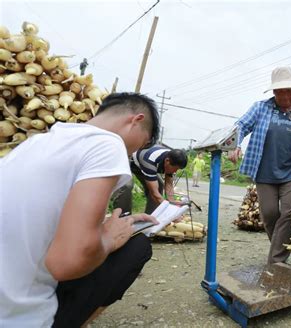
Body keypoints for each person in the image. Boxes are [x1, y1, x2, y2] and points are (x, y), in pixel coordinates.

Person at [0, 92, 161, 327]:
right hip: (16, 318)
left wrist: (109, 222)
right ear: (135, 120)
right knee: (136, 247)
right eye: (144, 142)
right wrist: (109, 239)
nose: (136, 151)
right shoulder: (107, 143)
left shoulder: (38, 142)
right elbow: (67, 262)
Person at [229, 66, 291, 264]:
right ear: (274, 92)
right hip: (264, 172)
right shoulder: (260, 108)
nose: (286, 96)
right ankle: (280, 248)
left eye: (290, 91)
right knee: (269, 215)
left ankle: (276, 261)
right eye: (281, 91)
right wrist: (234, 144)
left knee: (290, 212)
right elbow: (241, 126)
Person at [114, 146, 188, 214]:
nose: (175, 172)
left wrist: (172, 203)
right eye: (175, 169)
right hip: (129, 160)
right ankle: (123, 216)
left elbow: (168, 184)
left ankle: (150, 217)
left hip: (142, 164)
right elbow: (154, 194)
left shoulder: (173, 158)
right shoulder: (150, 160)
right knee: (126, 186)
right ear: (167, 161)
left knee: (159, 185)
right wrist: (169, 211)